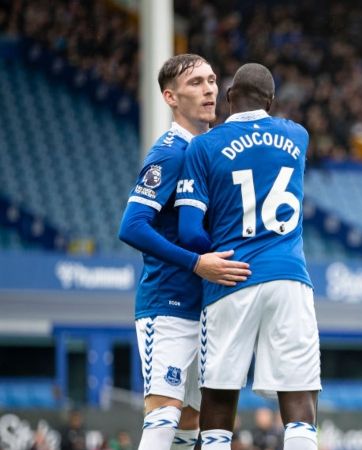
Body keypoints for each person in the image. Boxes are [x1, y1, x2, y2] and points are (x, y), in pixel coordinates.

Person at [175, 62, 319, 450]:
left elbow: (188, 230)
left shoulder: (204, 146)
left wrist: (214, 256)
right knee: (300, 398)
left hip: (231, 279)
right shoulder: (298, 135)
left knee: (219, 399)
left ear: (228, 97)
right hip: (290, 278)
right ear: (271, 101)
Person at [118, 53, 251, 450]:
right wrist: (197, 263)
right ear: (170, 97)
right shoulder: (171, 152)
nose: (210, 89)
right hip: (168, 304)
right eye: (196, 83)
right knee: (163, 415)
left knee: (191, 421)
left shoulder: (210, 151)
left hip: (205, 307)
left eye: (212, 79)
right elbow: (132, 226)